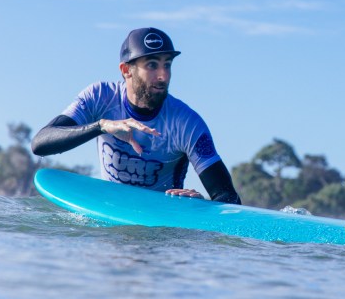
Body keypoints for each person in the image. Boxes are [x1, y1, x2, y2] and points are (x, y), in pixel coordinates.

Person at [31, 27, 241, 204]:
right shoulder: (100, 98)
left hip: (162, 225)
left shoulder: (187, 124)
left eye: (167, 64)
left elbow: (228, 197)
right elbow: (40, 143)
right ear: (126, 70)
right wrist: (101, 126)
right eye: (152, 65)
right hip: (113, 212)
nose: (163, 76)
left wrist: (198, 202)